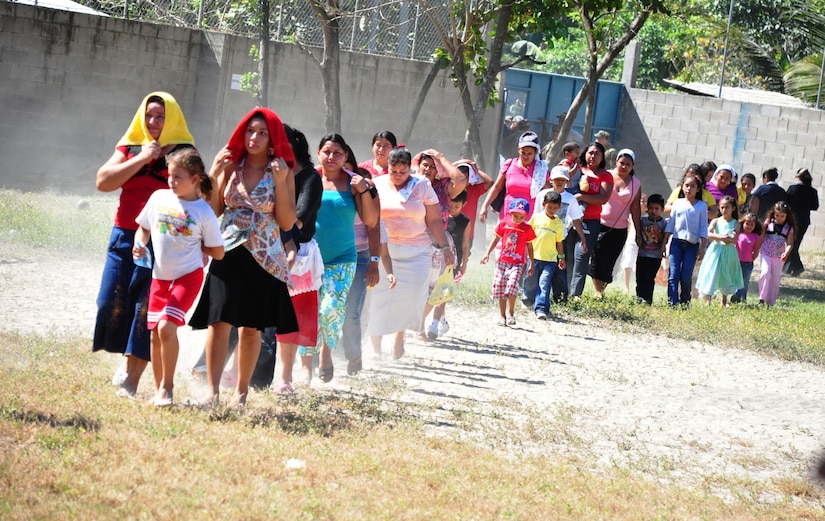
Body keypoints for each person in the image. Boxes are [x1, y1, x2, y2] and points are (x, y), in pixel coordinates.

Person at [189, 107, 298, 407]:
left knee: (251, 328)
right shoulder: (231, 166)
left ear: (273, 138)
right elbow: (212, 211)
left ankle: (241, 392)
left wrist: (279, 183)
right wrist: (213, 172)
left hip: (264, 257)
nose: (254, 137)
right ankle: (212, 391)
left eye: (262, 133)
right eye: (250, 131)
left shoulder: (283, 171)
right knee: (218, 322)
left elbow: (287, 223)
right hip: (228, 252)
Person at [93, 91, 196, 399]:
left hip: (164, 242)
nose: (153, 122)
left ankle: (132, 379)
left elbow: (199, 193)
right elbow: (103, 181)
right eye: (149, 115)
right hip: (124, 235)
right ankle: (126, 360)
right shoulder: (131, 145)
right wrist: (142, 157)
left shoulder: (185, 151)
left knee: (145, 309)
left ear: (173, 119)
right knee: (110, 302)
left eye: (161, 116)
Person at [132, 148, 224, 406]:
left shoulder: (204, 212)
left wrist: (199, 247)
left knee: (166, 327)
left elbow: (218, 252)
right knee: (155, 335)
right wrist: (139, 244)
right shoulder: (159, 197)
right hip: (160, 277)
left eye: (178, 177)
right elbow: (143, 228)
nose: (171, 182)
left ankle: (168, 389)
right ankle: (159, 387)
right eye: (170, 176)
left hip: (187, 277)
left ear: (195, 179)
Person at [298, 134, 379, 385]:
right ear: (319, 153)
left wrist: (364, 190)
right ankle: (305, 365)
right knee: (307, 312)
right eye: (327, 151)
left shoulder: (354, 183)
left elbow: (371, 221)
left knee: (331, 309)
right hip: (309, 256)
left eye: (337, 153)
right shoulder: (308, 178)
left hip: (343, 258)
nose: (331, 157)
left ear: (346, 156)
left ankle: (325, 353)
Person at [368, 147, 454, 359]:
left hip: (417, 251)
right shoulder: (377, 185)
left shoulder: (422, 185)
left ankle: (399, 338)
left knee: (411, 298)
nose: (397, 176)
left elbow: (433, 220)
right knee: (379, 297)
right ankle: (375, 346)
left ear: (410, 169)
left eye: (402, 172)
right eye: (393, 171)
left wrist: (445, 247)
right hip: (384, 249)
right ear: (387, 168)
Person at [269, 124, 324, 393]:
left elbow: (300, 216)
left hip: (297, 255)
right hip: (264, 247)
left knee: (292, 317)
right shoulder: (265, 171)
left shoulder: (311, 178)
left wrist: (286, 242)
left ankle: (286, 377)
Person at [412, 149, 467, 340]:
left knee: (433, 287)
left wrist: (441, 157)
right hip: (412, 240)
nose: (427, 169)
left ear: (438, 171)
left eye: (432, 167)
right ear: (418, 166)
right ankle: (410, 323)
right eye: (424, 165)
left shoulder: (444, 187)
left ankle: (417, 323)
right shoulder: (409, 184)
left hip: (438, 243)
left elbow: (460, 180)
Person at [523, 165, 586, 306]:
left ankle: (560, 298)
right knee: (534, 267)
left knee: (559, 269)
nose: (559, 182)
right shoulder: (542, 195)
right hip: (540, 238)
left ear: (567, 182)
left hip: (559, 239)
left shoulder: (570, 199)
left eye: (562, 180)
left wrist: (582, 237)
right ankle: (529, 298)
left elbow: (576, 219)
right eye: (556, 179)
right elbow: (536, 216)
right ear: (551, 180)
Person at [588, 148, 641, 298]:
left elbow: (635, 209)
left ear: (632, 166)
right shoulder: (607, 175)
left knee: (610, 261)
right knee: (597, 256)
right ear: (616, 162)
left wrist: (638, 232)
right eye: (621, 163)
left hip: (620, 228)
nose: (624, 166)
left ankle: (602, 289)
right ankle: (597, 291)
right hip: (600, 222)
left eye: (628, 164)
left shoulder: (635, 183)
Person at [480, 198, 536, 326]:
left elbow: (530, 247)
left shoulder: (527, 229)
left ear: (526, 215)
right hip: (502, 262)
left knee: (512, 286)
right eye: (515, 215)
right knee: (500, 287)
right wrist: (487, 254)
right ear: (511, 213)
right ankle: (502, 316)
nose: (518, 219)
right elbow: (495, 240)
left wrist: (531, 263)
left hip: (517, 263)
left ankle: (511, 312)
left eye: (521, 216)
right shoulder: (504, 224)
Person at [569, 142, 613, 298]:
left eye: (597, 154)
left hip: (590, 222)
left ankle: (575, 295)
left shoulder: (605, 175)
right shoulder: (575, 169)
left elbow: (603, 198)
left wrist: (581, 197)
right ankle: (562, 293)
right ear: (585, 154)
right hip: (569, 221)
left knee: (581, 256)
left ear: (602, 157)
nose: (593, 156)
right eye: (590, 153)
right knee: (567, 256)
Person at [479, 131, 549, 225]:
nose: (525, 156)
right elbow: (496, 187)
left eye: (529, 153)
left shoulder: (541, 170)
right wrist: (485, 206)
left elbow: (547, 194)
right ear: (518, 150)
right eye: (523, 153)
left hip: (530, 220)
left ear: (536, 152)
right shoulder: (509, 164)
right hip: (507, 216)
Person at [664, 174, 708, 307]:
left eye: (693, 186)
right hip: (676, 243)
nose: (689, 189)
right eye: (686, 185)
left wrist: (702, 248)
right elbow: (671, 225)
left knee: (685, 276)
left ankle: (685, 301)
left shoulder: (701, 206)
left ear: (698, 189)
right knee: (673, 274)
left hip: (692, 245)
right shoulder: (677, 203)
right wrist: (664, 243)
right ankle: (672, 302)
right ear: (682, 187)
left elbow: (703, 228)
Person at [435, 189, 472, 335]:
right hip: (437, 258)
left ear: (464, 204)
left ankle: (436, 322)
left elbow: (465, 245)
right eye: (451, 204)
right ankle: (442, 319)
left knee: (444, 291)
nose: (453, 208)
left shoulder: (465, 221)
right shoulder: (440, 217)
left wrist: (464, 264)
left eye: (457, 206)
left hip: (453, 263)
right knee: (434, 290)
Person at [695, 195, 743, 306]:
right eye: (722, 207)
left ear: (733, 208)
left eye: (727, 207)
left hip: (728, 252)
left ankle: (724, 300)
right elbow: (708, 233)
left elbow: (734, 238)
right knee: (711, 272)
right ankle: (708, 299)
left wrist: (729, 238)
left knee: (726, 273)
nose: (724, 210)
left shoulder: (736, 223)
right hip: (715, 251)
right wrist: (721, 237)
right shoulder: (715, 221)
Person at [527, 191, 565, 320]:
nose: (552, 210)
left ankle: (541, 308)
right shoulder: (536, 218)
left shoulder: (559, 224)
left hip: (550, 260)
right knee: (530, 281)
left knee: (544, 283)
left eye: (555, 208)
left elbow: (559, 242)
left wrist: (561, 258)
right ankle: (527, 300)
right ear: (543, 204)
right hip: (533, 257)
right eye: (549, 207)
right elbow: (527, 236)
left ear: (559, 207)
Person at [754, 201, 795, 306]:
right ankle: (761, 299)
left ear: (787, 216)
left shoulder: (789, 228)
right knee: (765, 273)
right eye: (777, 215)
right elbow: (762, 237)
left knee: (775, 280)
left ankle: (770, 302)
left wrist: (786, 252)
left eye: (782, 216)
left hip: (778, 256)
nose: (779, 218)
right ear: (773, 213)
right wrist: (756, 250)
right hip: (766, 253)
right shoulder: (768, 224)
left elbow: (790, 243)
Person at [784, 168, 819, 276]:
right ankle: (788, 269)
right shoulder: (812, 191)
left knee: (791, 244)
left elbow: (786, 202)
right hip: (804, 220)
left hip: (792, 219)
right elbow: (815, 206)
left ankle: (798, 267)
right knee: (795, 244)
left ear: (798, 178)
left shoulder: (793, 188)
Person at [635, 194, 667, 305]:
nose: (653, 211)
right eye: (651, 208)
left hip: (655, 256)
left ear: (662, 209)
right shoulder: (643, 221)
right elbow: (638, 234)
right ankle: (639, 297)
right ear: (647, 208)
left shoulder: (663, 224)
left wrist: (658, 232)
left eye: (656, 209)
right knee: (640, 276)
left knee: (649, 277)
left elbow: (664, 240)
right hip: (642, 254)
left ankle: (647, 299)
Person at [455, 161, 493, 251]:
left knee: (463, 260)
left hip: (468, 234)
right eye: (460, 177)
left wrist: (476, 170)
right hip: (451, 230)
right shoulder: (450, 188)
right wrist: (459, 163)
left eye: (466, 178)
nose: (463, 180)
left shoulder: (474, 190)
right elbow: (441, 174)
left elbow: (490, 182)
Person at [731, 212, 761, 304]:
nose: (749, 226)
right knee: (736, 280)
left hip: (748, 263)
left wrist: (752, 258)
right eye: (747, 223)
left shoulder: (756, 237)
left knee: (745, 282)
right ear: (743, 223)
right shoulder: (739, 234)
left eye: (752, 224)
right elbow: (734, 245)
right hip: (737, 262)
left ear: (755, 226)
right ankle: (736, 295)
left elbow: (756, 251)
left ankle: (742, 298)